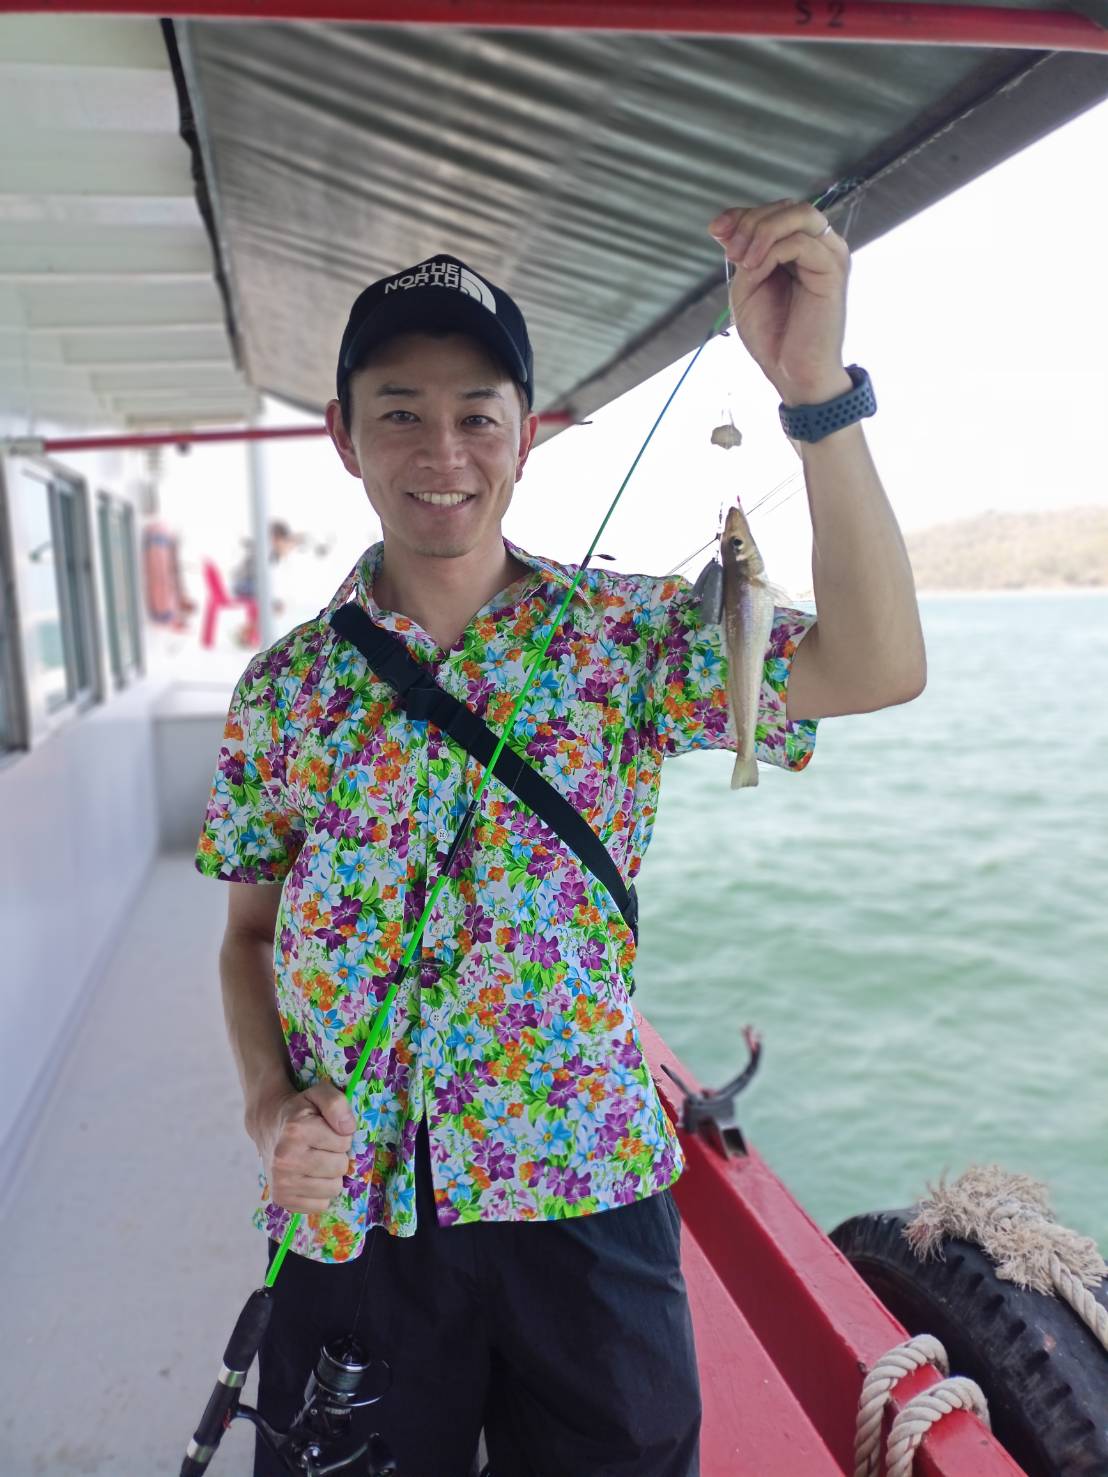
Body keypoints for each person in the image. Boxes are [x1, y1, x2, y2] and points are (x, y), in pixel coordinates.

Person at [195, 203, 926, 1477]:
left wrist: (814, 394)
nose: (443, 451)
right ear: (343, 435)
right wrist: (267, 1108)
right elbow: (248, 934)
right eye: (400, 412)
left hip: (584, 1195)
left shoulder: (629, 640)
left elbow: (878, 664)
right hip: (352, 1208)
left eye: (478, 415)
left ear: (526, 435)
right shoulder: (284, 689)